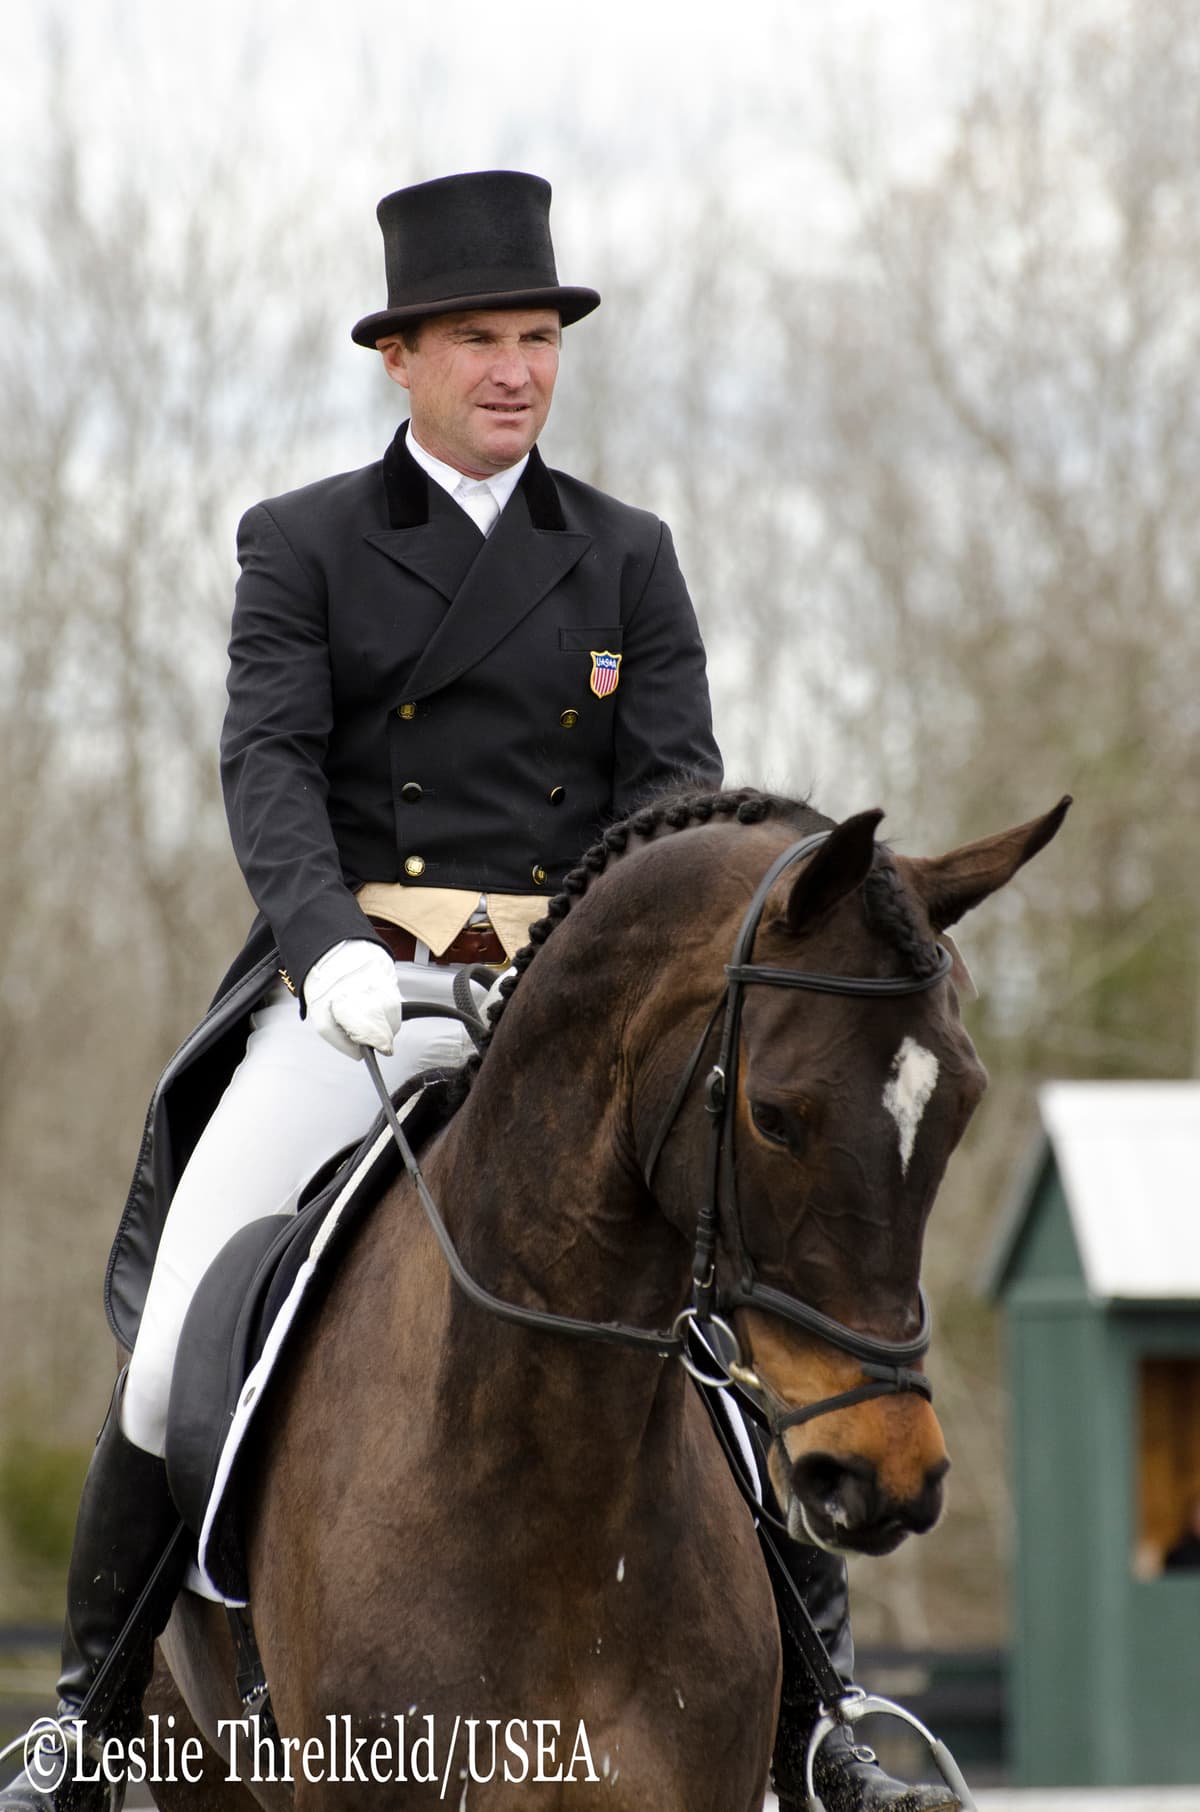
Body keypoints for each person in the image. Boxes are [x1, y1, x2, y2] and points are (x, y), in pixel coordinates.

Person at [1, 170, 952, 1812]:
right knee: (169, 1360)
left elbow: (683, 804)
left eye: (534, 338)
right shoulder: (302, 543)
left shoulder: (628, 561)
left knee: (729, 1331)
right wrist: (329, 949)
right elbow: (270, 771)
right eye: (477, 342)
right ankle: (87, 1721)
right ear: (401, 360)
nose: (514, 369)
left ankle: (828, 1723)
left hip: (570, 1022)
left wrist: (611, 978)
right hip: (354, 995)